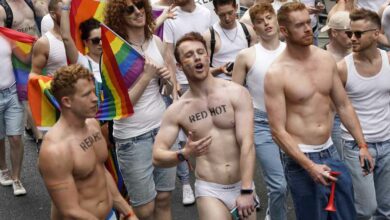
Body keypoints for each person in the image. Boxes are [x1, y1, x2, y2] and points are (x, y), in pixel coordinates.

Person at [264, 2, 371, 219]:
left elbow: (343, 105)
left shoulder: (325, 59)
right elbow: (277, 131)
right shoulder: (277, 73)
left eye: (308, 22)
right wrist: (310, 166)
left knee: (346, 215)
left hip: (331, 151)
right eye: (299, 25)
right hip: (301, 159)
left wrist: (362, 145)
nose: (307, 29)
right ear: (284, 31)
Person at [153, 32, 257, 220]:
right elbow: (157, 155)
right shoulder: (178, 110)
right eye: (189, 55)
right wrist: (183, 153)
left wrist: (247, 189)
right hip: (210, 188)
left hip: (243, 182)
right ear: (179, 65)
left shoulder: (236, 93)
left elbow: (247, 143)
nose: (197, 57)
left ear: (208, 56)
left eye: (200, 52)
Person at [105, 0, 176, 219]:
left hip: (162, 129)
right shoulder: (115, 54)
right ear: (119, 16)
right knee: (144, 209)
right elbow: (119, 108)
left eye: (139, 5)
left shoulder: (155, 41)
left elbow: (165, 91)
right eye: (129, 9)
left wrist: (167, 82)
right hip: (133, 138)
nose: (137, 12)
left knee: (164, 199)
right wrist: (146, 76)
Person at [38, 64, 138, 220]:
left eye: (93, 91)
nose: (95, 98)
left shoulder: (92, 125)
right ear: (67, 101)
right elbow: (69, 210)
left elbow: (101, 171)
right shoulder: (55, 150)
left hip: (109, 215)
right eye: (87, 95)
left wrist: (128, 211)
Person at [232, 3, 287, 220]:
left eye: (269, 18)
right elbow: (235, 94)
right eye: (260, 21)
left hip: (292, 123)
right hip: (262, 125)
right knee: (279, 185)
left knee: (292, 181)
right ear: (254, 27)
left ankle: (274, 213)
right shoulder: (246, 56)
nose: (266, 24)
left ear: (276, 19)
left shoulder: (291, 49)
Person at [337, 8, 390, 220]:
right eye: (350, 33)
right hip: (356, 145)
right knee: (365, 209)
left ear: (376, 33)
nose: (352, 38)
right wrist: (361, 146)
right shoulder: (342, 68)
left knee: (385, 208)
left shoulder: (389, 61)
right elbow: (336, 108)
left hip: (386, 142)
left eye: (358, 33)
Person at [202, 0, 256, 81]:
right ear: (215, 12)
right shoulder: (209, 36)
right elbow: (203, 71)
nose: (227, 18)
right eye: (222, 15)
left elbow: (255, 63)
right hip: (220, 86)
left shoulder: (248, 31)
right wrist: (220, 70)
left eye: (230, 13)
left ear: (236, 7)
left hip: (246, 85)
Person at [30, 0, 67, 77]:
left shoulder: (80, 36)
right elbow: (34, 76)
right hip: (57, 88)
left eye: (70, 10)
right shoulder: (44, 43)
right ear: (53, 14)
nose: (68, 14)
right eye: (64, 10)